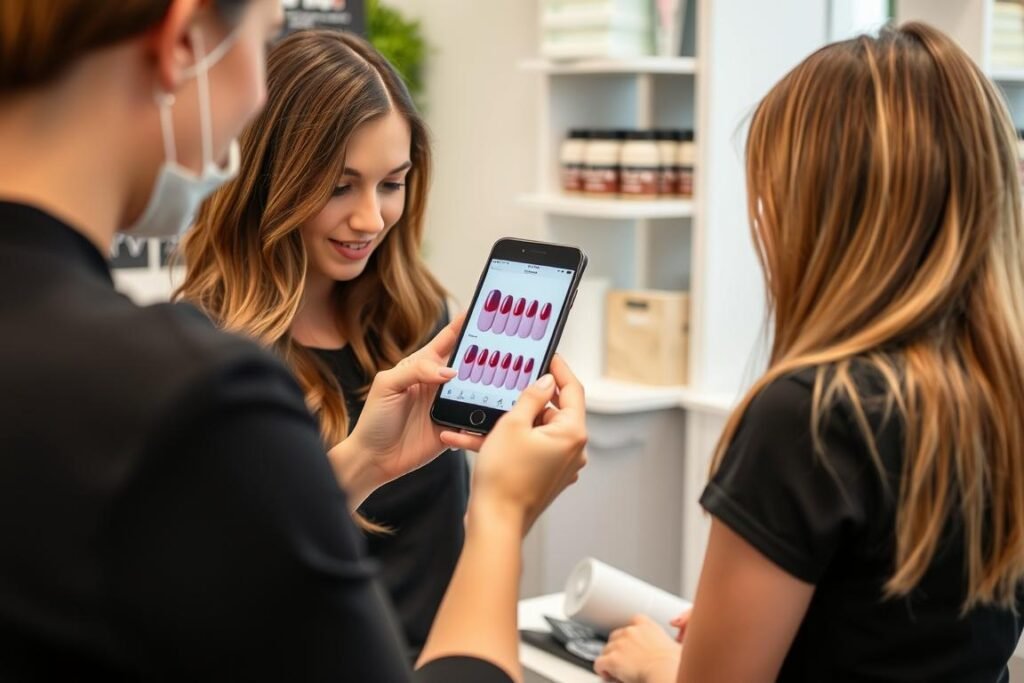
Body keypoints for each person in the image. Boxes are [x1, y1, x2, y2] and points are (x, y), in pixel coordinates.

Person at [0, 1, 587, 681]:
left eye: (391, 184)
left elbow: (229, 578)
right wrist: (502, 512)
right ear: (182, 42)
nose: (253, 99)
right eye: (264, 38)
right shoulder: (196, 388)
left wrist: (366, 460)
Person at [594, 22, 1024, 683]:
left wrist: (664, 667)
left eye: (776, 196)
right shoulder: (998, 395)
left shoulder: (814, 414)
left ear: (829, 214)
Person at [176, 29, 466, 658]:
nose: (370, 219)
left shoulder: (419, 319)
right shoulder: (204, 355)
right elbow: (219, 588)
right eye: (340, 187)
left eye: (392, 183)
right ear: (269, 182)